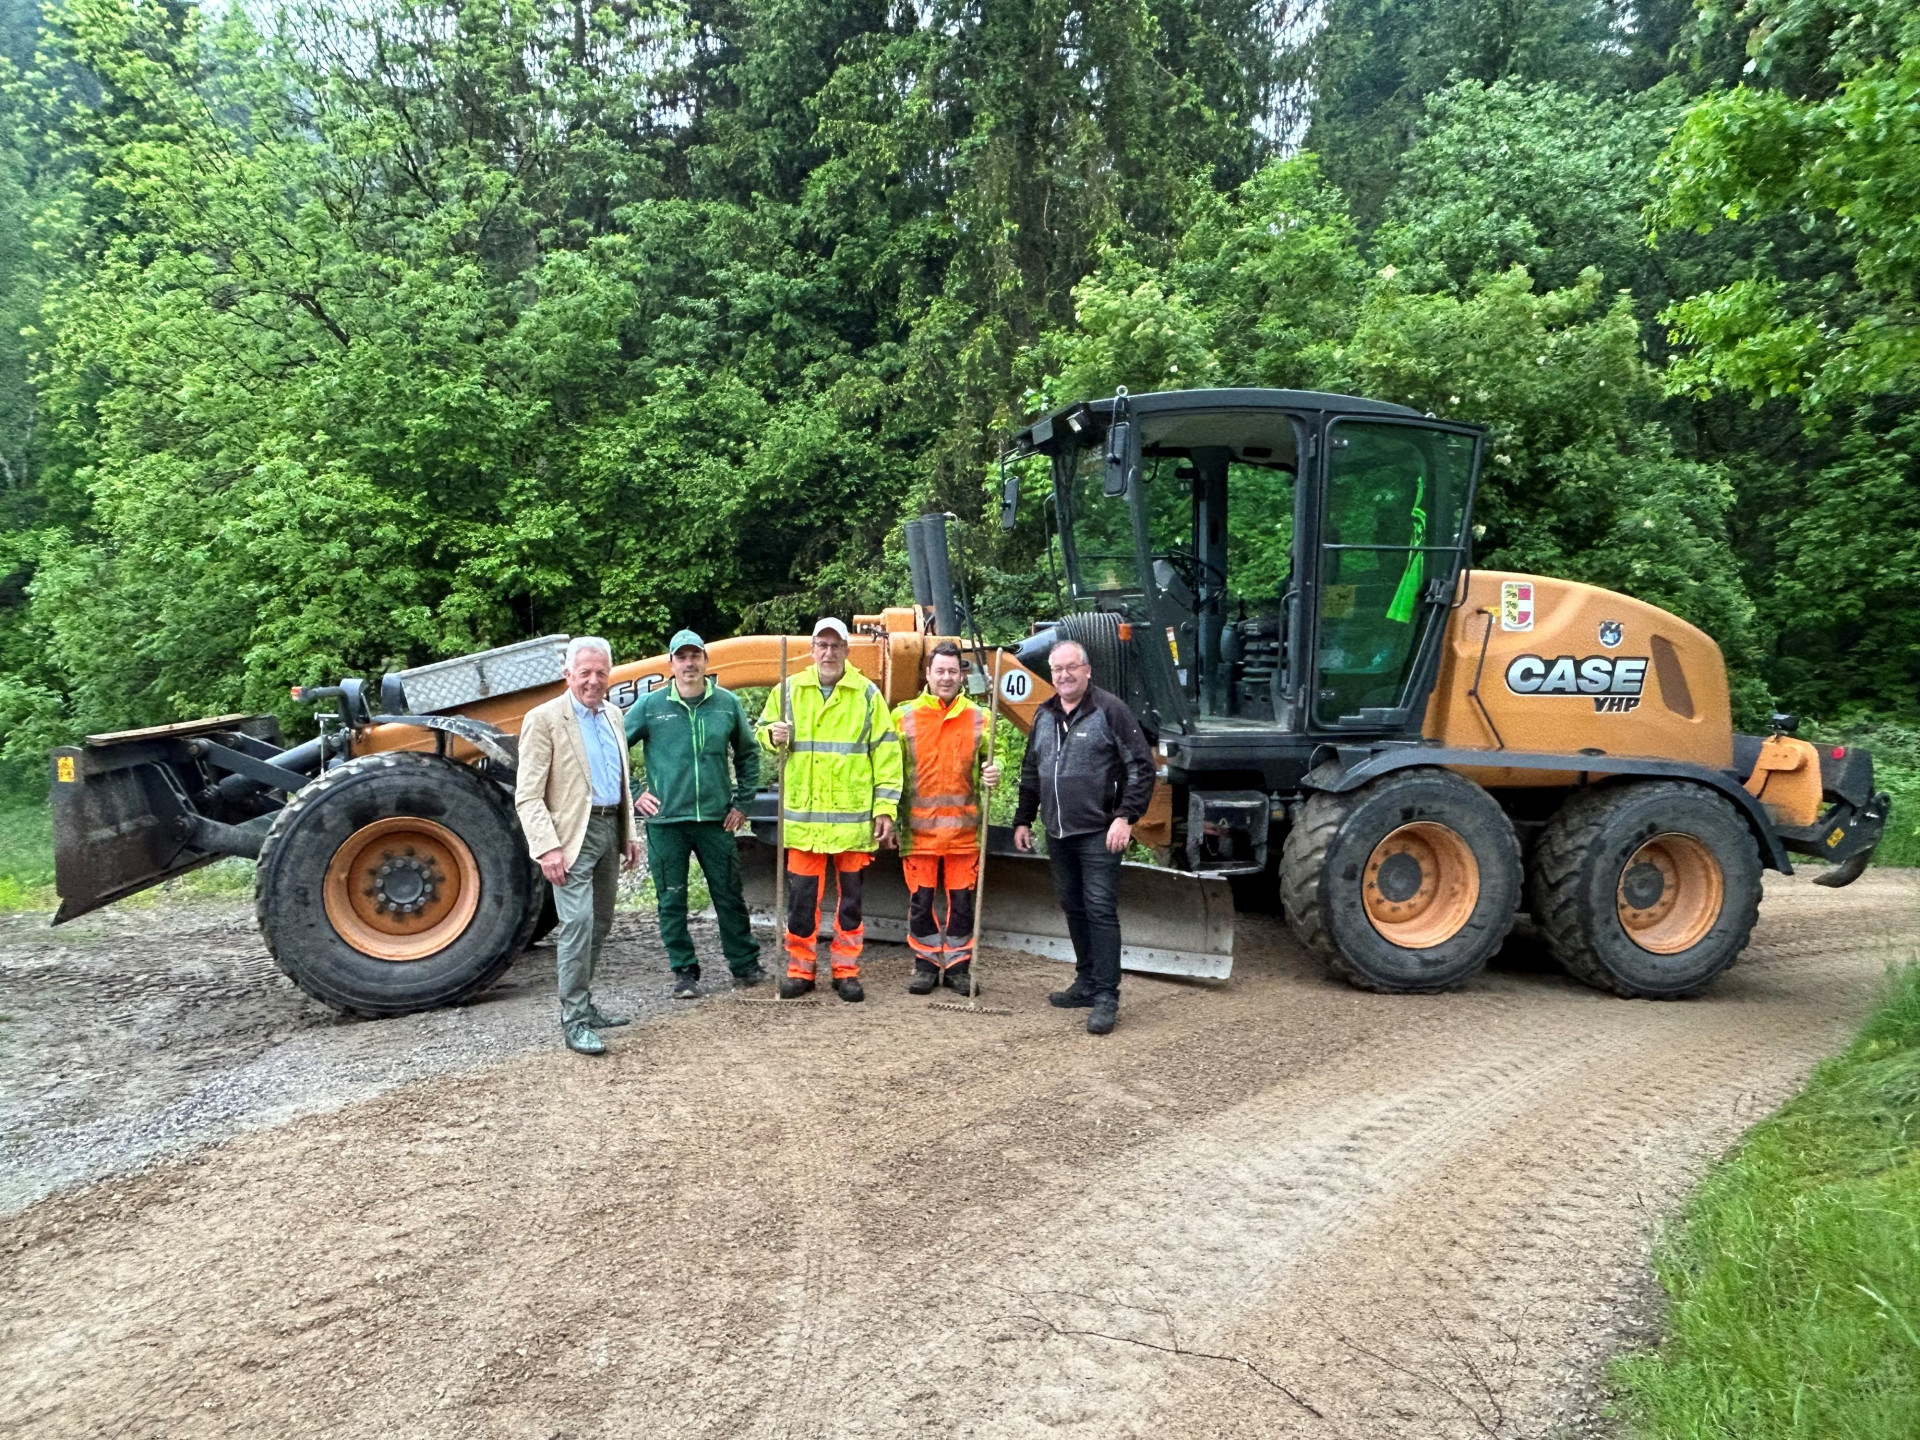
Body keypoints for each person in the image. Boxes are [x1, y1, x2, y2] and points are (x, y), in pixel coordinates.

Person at [1011, 639, 1155, 1036]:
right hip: (1058, 832)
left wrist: (1125, 817)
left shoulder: (1110, 711)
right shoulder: (1044, 715)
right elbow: (1030, 773)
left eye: (1071, 667)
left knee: (1099, 909)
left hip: (1098, 833)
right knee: (1073, 906)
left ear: (1087, 670)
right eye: (1057, 670)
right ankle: (1087, 981)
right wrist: (1023, 820)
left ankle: (1107, 995)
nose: (1064, 675)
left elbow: (1142, 768)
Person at [760, 618, 902, 1002]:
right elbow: (762, 731)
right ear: (811, 649)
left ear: (847, 651)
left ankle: (846, 971)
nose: (828, 652)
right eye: (822, 645)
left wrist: (885, 808)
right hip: (805, 824)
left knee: (850, 904)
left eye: (835, 646)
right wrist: (773, 736)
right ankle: (799, 970)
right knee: (802, 902)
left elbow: (887, 754)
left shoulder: (867, 695)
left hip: (853, 823)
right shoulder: (789, 691)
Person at [515, 636, 642, 1056]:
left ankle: (585, 1003)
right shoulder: (545, 719)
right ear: (568, 674)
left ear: (610, 675)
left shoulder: (614, 715)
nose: (593, 680)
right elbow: (529, 795)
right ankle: (574, 1020)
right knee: (577, 925)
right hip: (570, 838)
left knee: (601, 921)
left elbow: (619, 782)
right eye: (584, 672)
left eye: (600, 672)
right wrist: (547, 849)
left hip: (608, 829)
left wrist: (629, 834)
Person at [626, 629, 766, 999]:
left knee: (729, 895)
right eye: (681, 657)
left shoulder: (726, 704)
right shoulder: (651, 707)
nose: (689, 663)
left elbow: (749, 754)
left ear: (706, 660)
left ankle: (745, 965)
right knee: (672, 899)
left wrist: (742, 803)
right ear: (670, 664)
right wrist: (636, 793)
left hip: (716, 821)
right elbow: (612, 749)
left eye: (695, 656)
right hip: (666, 822)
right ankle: (684, 971)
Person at [892, 641, 1002, 995]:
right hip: (918, 835)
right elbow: (890, 775)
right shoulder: (903, 717)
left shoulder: (982, 718)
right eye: (939, 670)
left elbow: (996, 760)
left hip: (964, 834)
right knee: (921, 903)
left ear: (962, 675)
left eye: (952, 671)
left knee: (962, 906)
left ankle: (957, 968)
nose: (946, 677)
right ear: (928, 674)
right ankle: (925, 965)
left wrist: (995, 772)